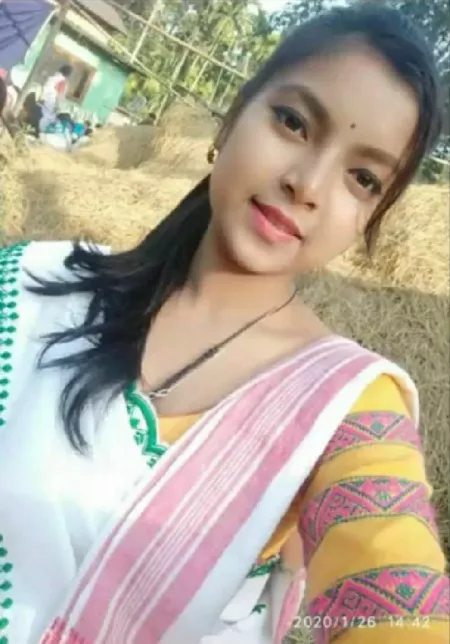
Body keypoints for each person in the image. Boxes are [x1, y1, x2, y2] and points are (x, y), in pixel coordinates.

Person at [0, 5, 448, 644]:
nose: (308, 184)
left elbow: (395, 596)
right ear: (235, 115)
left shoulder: (347, 406)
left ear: (370, 219)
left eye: (363, 178)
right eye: (293, 122)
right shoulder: (36, 286)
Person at [39, 64, 73, 134]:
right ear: (68, 74)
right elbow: (60, 95)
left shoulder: (51, 77)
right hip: (51, 103)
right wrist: (58, 106)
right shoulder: (62, 82)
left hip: (42, 100)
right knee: (47, 121)